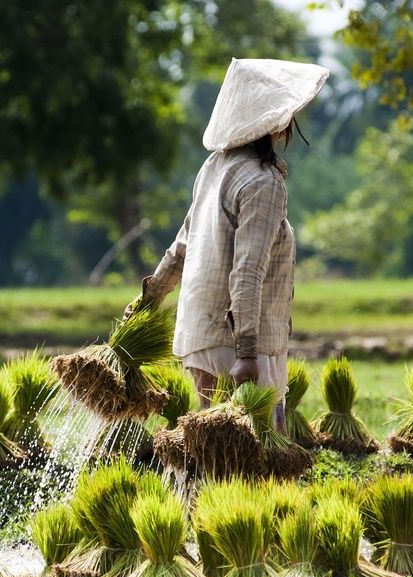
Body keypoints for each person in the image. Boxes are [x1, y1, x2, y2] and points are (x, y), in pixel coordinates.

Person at [126, 58, 329, 432]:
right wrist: (247, 352)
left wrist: (148, 301)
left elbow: (182, 246)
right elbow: (248, 270)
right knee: (256, 460)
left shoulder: (215, 168)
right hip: (235, 344)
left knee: (215, 454)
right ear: (274, 120)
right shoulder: (263, 182)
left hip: (201, 336)